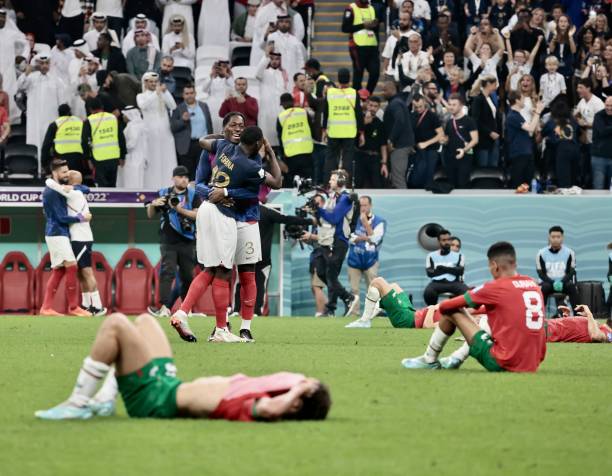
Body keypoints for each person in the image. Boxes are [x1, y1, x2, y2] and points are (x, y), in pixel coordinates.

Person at [34, 312, 331, 421]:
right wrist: (302, 388)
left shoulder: (259, 406)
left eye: (302, 385)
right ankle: (105, 400)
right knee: (146, 321)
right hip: (168, 385)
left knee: (115, 324)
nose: (298, 380)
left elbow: (272, 409)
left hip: (154, 400)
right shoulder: (257, 392)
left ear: (293, 404)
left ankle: (78, 402)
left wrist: (298, 393)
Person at [172, 125, 283, 343]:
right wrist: (270, 153)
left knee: (211, 270)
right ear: (259, 143)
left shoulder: (224, 146)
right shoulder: (250, 165)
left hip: (206, 210)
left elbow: (203, 141)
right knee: (222, 272)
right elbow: (277, 182)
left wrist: (225, 190)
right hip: (223, 215)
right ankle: (221, 329)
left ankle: (183, 312)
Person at [402, 241, 547, 372]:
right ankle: (456, 357)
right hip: (533, 362)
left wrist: (467, 314)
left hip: (504, 361)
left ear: (494, 266)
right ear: (514, 263)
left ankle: (429, 359)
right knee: (491, 318)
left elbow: (446, 306)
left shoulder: (495, 287)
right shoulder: (533, 284)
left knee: (452, 311)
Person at [44, 170, 107, 316]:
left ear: (71, 182)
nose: (64, 175)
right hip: (77, 237)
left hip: (81, 238)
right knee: (80, 272)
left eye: (67, 174)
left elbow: (51, 184)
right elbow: (85, 188)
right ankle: (85, 305)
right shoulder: (77, 191)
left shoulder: (73, 193)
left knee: (86, 271)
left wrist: (54, 180)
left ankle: (97, 306)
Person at [39, 160, 92, 317]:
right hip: (56, 233)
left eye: (68, 172)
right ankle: (73, 307)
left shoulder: (60, 189)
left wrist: (74, 186)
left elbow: (86, 189)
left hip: (59, 234)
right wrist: (81, 218)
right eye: (64, 173)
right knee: (72, 266)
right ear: (55, 173)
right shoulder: (51, 192)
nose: (67, 175)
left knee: (59, 271)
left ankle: (46, 308)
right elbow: (61, 218)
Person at [146, 166, 200, 318]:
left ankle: (185, 309)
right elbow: (150, 214)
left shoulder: (193, 194)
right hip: (168, 240)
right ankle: (164, 307)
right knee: (167, 272)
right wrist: (153, 204)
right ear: (173, 178)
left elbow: (197, 215)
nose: (183, 179)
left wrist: (179, 209)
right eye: (180, 177)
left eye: (186, 177)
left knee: (188, 276)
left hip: (188, 240)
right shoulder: (164, 193)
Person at [313, 169, 358, 317]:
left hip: (338, 241)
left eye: (332, 179)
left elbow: (333, 218)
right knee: (321, 272)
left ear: (340, 182)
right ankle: (338, 303)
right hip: (326, 240)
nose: (329, 182)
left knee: (331, 276)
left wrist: (318, 209)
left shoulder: (345, 198)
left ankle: (344, 300)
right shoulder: (332, 196)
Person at [17, 55, 67, 163]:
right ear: (37, 64)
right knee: (36, 145)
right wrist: (26, 72)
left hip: (51, 119)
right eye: (41, 63)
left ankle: (49, 171)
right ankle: (38, 172)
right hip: (35, 120)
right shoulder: (31, 78)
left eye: (47, 63)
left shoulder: (57, 80)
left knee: (51, 146)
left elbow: (62, 102)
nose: (44, 66)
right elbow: (20, 86)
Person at [345, 276, 443, 329]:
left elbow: (428, 326)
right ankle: (373, 313)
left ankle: (365, 321)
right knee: (394, 286)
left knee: (378, 282)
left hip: (407, 321)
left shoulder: (451, 319)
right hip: (412, 313)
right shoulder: (453, 311)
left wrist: (431, 308)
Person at [137, 72, 178, 190]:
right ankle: (152, 187)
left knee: (167, 159)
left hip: (165, 132)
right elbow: (143, 105)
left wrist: (165, 93)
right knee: (153, 160)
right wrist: (157, 93)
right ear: (145, 83)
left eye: (155, 82)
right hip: (150, 133)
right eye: (151, 82)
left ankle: (169, 186)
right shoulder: (141, 96)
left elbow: (173, 106)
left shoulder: (161, 93)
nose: (154, 84)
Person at [346, 196, 385, 315]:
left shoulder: (379, 221)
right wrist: (365, 238)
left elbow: (375, 239)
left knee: (373, 289)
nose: (362, 208)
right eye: (360, 205)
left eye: (365, 205)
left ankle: (372, 312)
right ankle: (353, 313)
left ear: (370, 205)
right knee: (354, 289)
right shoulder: (352, 219)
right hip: (354, 259)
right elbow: (350, 238)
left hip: (370, 260)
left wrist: (364, 223)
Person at [323, 69, 363, 183]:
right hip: (349, 132)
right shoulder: (354, 93)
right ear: (349, 78)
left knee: (330, 159)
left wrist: (324, 129)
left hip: (333, 131)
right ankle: (345, 184)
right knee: (347, 160)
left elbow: (325, 113)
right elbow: (359, 114)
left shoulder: (330, 93)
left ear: (338, 79)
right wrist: (362, 132)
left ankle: (328, 183)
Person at [170, 84, 212, 180]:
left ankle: (200, 194)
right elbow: (173, 127)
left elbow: (209, 125)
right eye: (187, 93)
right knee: (187, 175)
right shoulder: (178, 109)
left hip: (203, 144)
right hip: (186, 146)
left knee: (202, 172)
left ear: (195, 93)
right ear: (183, 95)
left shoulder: (204, 106)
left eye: (191, 93)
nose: (189, 95)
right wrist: (183, 120)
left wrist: (211, 143)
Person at [83, 97, 126, 187]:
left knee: (103, 186)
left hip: (99, 158)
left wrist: (88, 159)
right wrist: (122, 155)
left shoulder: (89, 121)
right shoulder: (112, 118)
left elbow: (85, 141)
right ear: (102, 106)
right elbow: (121, 137)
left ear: (90, 109)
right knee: (112, 185)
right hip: (114, 157)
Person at [505, 90, 544, 188]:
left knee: (527, 184)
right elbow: (530, 128)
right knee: (519, 184)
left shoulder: (518, 115)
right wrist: (538, 112)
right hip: (519, 154)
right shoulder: (513, 116)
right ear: (517, 101)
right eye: (522, 99)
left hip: (526, 153)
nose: (524, 102)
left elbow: (531, 130)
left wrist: (535, 115)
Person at [536, 226, 579, 310]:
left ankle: (578, 317)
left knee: (572, 287)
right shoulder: (541, 253)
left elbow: (571, 271)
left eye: (558, 237)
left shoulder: (570, 253)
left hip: (564, 282)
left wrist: (562, 282)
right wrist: (552, 282)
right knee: (543, 288)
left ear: (562, 238)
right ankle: (541, 317)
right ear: (549, 238)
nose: (555, 239)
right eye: (553, 237)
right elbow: (540, 273)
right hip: (548, 283)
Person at [342, 0, 379, 94]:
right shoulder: (351, 8)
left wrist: (375, 25)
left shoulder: (371, 8)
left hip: (372, 45)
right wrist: (363, 25)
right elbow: (345, 28)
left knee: (375, 73)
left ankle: (367, 94)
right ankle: (357, 97)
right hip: (357, 46)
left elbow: (374, 28)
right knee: (358, 74)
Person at [441, 93, 478, 189]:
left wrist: (464, 150)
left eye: (454, 105)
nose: (451, 107)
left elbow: (475, 140)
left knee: (463, 184)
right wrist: (443, 141)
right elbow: (447, 139)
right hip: (450, 157)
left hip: (465, 157)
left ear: (461, 105)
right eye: (450, 104)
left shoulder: (469, 121)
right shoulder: (449, 122)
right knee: (451, 184)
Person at [381, 80, 414, 189]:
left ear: (392, 90)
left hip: (400, 146)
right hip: (402, 144)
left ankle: (405, 204)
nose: (382, 93)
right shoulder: (397, 102)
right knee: (396, 177)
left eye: (384, 90)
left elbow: (400, 120)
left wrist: (391, 139)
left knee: (398, 179)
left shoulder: (395, 103)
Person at [423, 228, 468, 305]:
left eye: (448, 240)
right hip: (436, 283)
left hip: (454, 283)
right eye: (443, 240)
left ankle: (462, 313)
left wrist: (442, 268)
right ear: (439, 241)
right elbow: (430, 273)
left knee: (467, 293)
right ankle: (434, 312)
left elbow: (460, 271)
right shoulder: (431, 256)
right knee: (428, 293)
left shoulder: (459, 255)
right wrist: (452, 270)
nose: (447, 242)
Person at [277, 92, 313, 184]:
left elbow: (280, 138)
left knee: (293, 181)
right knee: (307, 180)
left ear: (282, 104)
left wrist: (282, 155)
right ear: (292, 101)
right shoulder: (303, 112)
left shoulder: (281, 117)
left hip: (291, 154)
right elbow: (311, 128)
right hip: (306, 151)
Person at [255, 48, 289, 147]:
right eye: (272, 58)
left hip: (279, 111)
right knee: (266, 140)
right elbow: (257, 73)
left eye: (277, 59)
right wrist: (266, 57)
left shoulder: (283, 74)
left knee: (279, 139)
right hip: (266, 111)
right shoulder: (264, 73)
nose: (274, 61)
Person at [40, 104, 86, 175]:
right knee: (76, 181)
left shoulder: (55, 124)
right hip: (78, 157)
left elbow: (46, 145)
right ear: (70, 112)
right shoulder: (80, 122)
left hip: (61, 158)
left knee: (63, 182)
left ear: (59, 113)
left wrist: (44, 163)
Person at [410, 94, 443, 188]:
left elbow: (441, 134)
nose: (418, 109)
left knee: (428, 175)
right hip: (418, 150)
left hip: (431, 150)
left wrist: (426, 143)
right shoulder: (412, 115)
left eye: (420, 106)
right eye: (416, 107)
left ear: (424, 102)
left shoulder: (432, 116)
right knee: (417, 175)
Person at [266, 14, 306, 90]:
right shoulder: (272, 37)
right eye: (281, 22)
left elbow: (300, 59)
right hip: (277, 74)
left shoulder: (295, 40)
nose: (284, 24)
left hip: (292, 73)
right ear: (277, 23)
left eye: (286, 22)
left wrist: (301, 75)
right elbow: (268, 56)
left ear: (290, 24)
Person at [355, 96, 387, 188]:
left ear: (378, 108)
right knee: (358, 183)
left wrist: (384, 163)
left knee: (377, 184)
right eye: (370, 105)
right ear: (367, 105)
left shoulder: (380, 124)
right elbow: (353, 138)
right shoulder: (359, 119)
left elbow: (383, 145)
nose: (372, 108)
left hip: (374, 157)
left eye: (375, 106)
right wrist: (364, 123)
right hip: (360, 156)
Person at [470, 76, 501, 168]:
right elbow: (475, 120)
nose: (496, 87)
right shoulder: (478, 99)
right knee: (483, 167)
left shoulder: (490, 98)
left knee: (493, 166)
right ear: (488, 84)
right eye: (495, 84)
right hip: (483, 140)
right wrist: (489, 132)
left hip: (494, 138)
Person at [546, 305, 612, 344]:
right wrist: (567, 317)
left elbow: (595, 336)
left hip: (551, 330)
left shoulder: (609, 333)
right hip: (552, 324)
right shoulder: (600, 326)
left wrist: (589, 314)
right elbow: (575, 331)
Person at [117, 106, 146, 189]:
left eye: (124, 115)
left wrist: (122, 148)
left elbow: (132, 143)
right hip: (138, 156)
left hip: (133, 158)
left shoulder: (133, 126)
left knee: (132, 180)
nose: (123, 117)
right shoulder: (139, 124)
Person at [201, 59, 234, 133]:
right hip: (212, 107)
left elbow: (234, 88)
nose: (221, 69)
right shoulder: (212, 79)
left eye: (224, 67)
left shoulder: (229, 79)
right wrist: (211, 75)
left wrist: (226, 75)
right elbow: (204, 89)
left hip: (225, 107)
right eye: (220, 67)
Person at [591, 96, 612, 189]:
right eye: (607, 105)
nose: (609, 108)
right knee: (598, 187)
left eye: (611, 106)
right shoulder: (599, 116)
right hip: (599, 158)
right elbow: (602, 131)